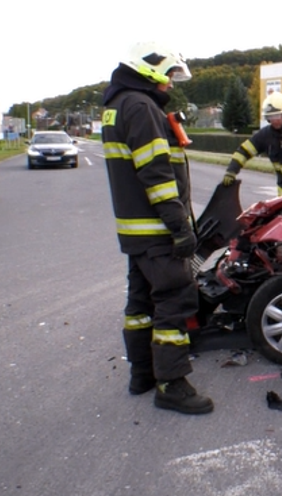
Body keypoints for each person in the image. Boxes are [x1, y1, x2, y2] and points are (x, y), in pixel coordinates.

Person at [102, 42, 214, 415]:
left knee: (141, 303)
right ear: (150, 71)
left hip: (136, 231)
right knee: (175, 299)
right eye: (168, 75)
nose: (170, 83)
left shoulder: (119, 106)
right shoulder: (141, 107)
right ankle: (172, 384)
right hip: (157, 230)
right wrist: (179, 226)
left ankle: (143, 374)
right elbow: (157, 174)